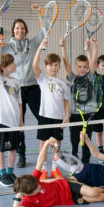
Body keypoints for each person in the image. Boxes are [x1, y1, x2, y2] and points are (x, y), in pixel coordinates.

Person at [0, 4, 46, 168]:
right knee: (19, 123)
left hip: (33, 88)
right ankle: (21, 154)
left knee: (43, 119)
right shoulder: (7, 46)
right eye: (17, 28)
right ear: (13, 31)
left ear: (26, 30)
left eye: (22, 28)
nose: (20, 31)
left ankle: (44, 150)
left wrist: (41, 13)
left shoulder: (32, 44)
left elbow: (45, 29)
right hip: (15, 90)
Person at [32, 39, 70, 181]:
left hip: (58, 118)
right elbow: (34, 65)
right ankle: (43, 169)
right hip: (44, 117)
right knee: (43, 145)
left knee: (57, 145)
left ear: (59, 67)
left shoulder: (63, 84)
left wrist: (66, 116)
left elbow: (66, 101)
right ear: (46, 67)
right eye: (50, 65)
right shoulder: (43, 79)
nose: (53, 67)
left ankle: (55, 168)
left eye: (56, 65)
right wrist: (40, 47)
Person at [0, 37, 23, 187]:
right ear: (4, 67)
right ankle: (2, 174)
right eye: (12, 63)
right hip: (3, 120)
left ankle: (10, 172)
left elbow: (19, 103)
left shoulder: (16, 83)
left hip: (15, 121)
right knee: (1, 148)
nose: (14, 64)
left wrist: (21, 122)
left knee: (13, 148)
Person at [60, 37, 98, 164]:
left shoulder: (90, 77)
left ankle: (85, 162)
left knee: (87, 140)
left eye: (85, 67)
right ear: (76, 67)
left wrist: (94, 47)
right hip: (75, 115)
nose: (82, 69)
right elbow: (66, 63)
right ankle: (74, 162)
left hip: (88, 115)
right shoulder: (72, 78)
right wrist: (63, 48)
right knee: (74, 141)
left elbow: (93, 62)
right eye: (80, 66)